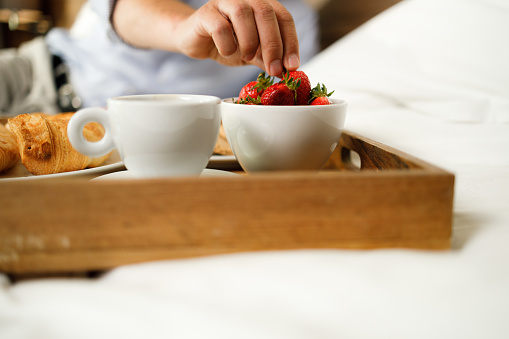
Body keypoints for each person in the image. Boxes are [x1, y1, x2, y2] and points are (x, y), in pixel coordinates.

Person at [0, 0, 319, 115]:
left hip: (111, 148)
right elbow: (122, 6)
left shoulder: (294, 22)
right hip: (33, 75)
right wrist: (184, 28)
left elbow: (270, 116)